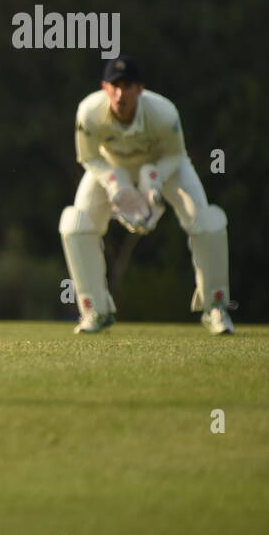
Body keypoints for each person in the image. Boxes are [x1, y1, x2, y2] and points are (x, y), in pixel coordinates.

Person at [59, 56, 233, 335]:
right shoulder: (89, 113)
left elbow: (175, 154)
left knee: (207, 222)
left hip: (165, 165)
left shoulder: (164, 113)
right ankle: (94, 310)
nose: (120, 94)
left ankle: (216, 307)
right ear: (104, 87)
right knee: (75, 225)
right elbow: (89, 157)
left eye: (127, 86)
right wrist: (115, 184)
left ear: (140, 89)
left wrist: (153, 182)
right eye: (114, 86)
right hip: (111, 166)